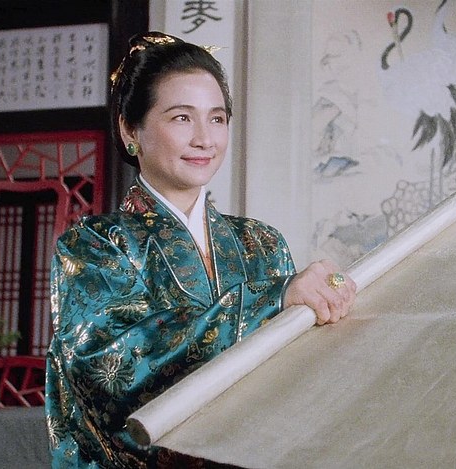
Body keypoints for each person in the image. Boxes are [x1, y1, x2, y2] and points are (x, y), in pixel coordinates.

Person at [45, 31, 356, 468]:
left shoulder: (262, 243)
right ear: (130, 129)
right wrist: (273, 301)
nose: (205, 139)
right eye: (181, 118)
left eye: (217, 119)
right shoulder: (94, 244)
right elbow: (113, 368)